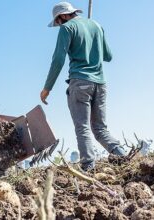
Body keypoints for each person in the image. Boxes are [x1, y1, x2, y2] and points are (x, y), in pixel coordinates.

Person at [40, 2, 126, 171]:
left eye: (58, 22)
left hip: (80, 82)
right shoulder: (96, 25)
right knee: (100, 128)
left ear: (63, 16)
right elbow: (108, 56)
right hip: (100, 83)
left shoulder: (67, 28)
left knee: (83, 126)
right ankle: (121, 155)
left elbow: (58, 59)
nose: (59, 26)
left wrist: (47, 88)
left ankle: (88, 166)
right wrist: (91, 43)